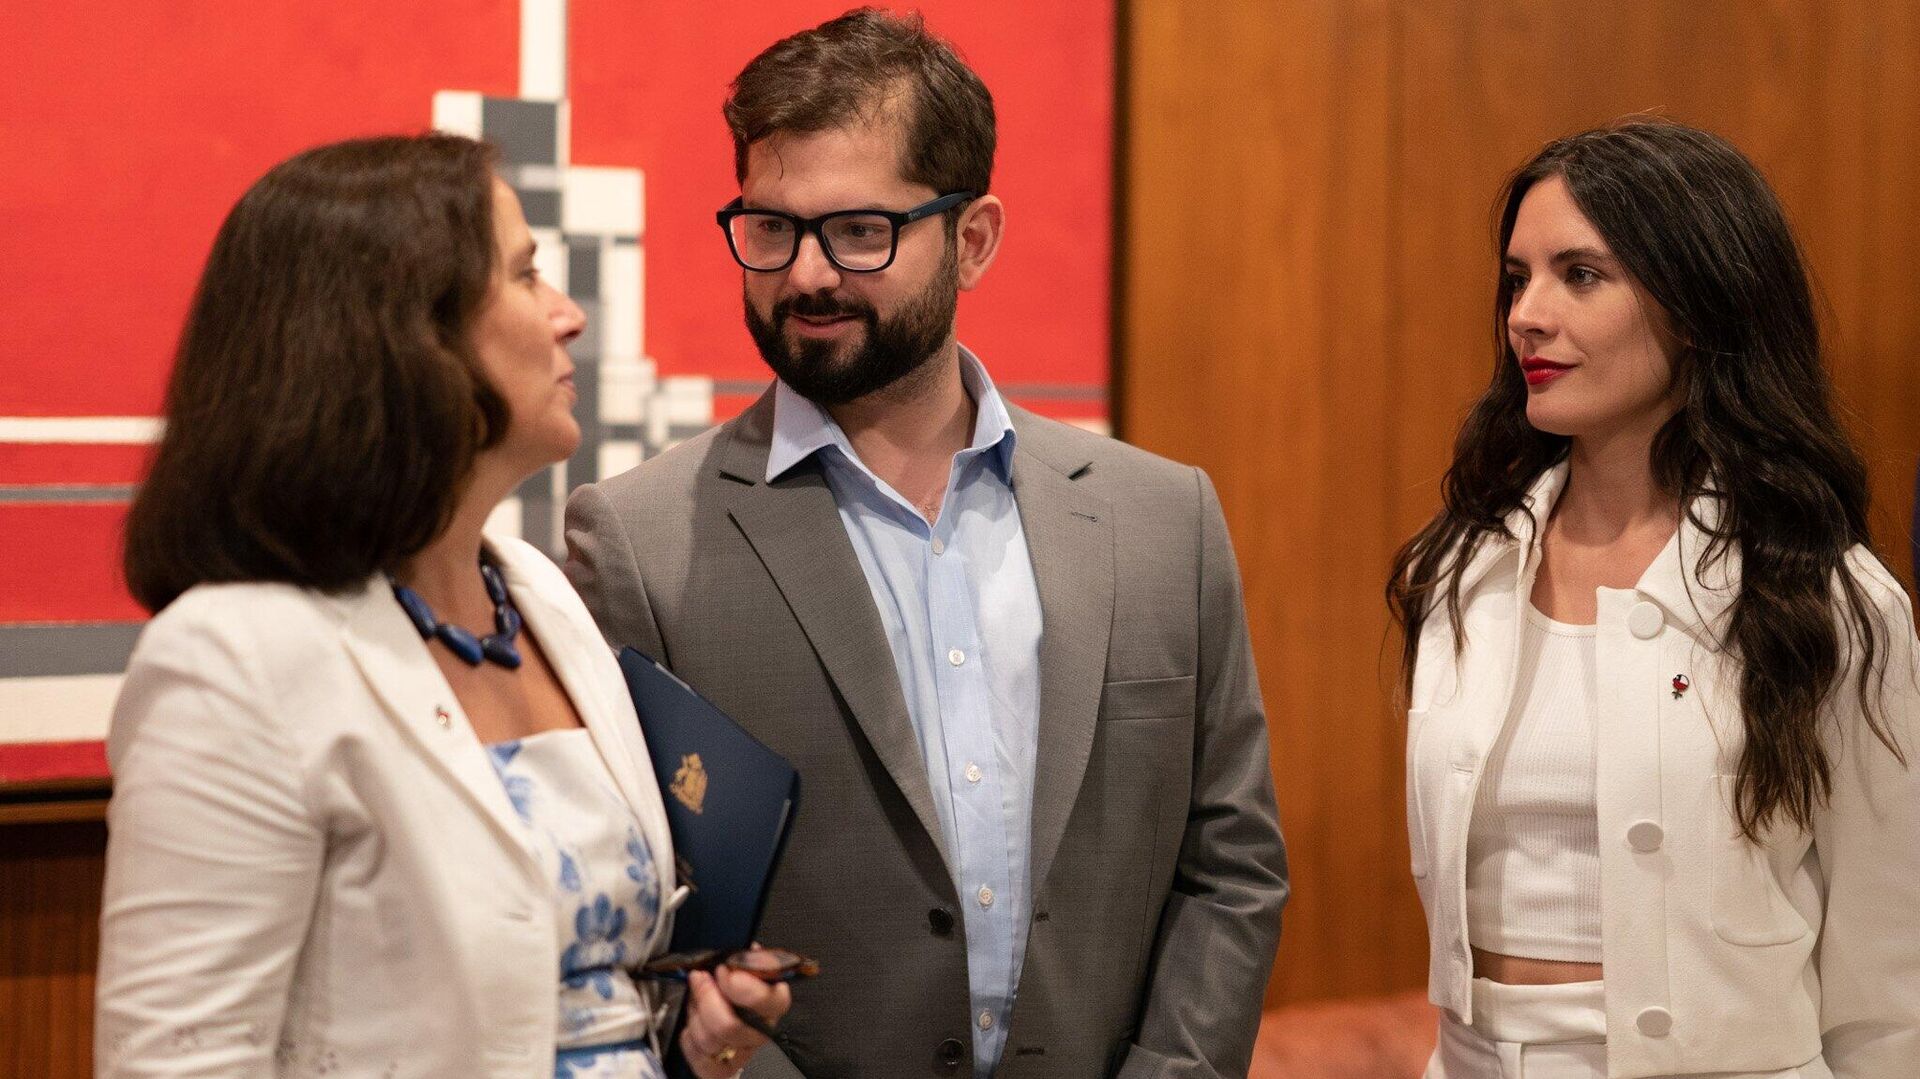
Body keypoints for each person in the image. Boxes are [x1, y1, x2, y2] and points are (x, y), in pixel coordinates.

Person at [564, 10, 1287, 1077]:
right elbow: (631, 919)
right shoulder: (638, 540)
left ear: (973, 239)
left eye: (860, 231)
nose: (807, 274)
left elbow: (1231, 866)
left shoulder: (1158, 518)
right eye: (771, 228)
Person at [95, 133, 787, 1078]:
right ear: (406, 334)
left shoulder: (539, 594)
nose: (569, 314)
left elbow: (578, 1000)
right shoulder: (232, 660)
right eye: (526, 275)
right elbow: (178, 1060)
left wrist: (692, 1040)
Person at [1389, 118, 1920, 1078]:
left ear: (1699, 304)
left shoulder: (1825, 595)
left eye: (1580, 275)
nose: (1526, 316)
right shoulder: (1464, 565)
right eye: (1517, 278)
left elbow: (1890, 981)